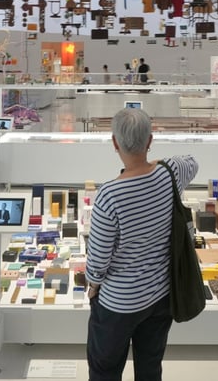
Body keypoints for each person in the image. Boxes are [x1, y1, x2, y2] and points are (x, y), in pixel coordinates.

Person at [85, 108, 198, 381]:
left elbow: (98, 260)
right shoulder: (170, 175)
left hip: (119, 303)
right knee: (150, 365)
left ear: (115, 143)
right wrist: (154, 163)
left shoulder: (109, 195)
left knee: (105, 369)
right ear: (150, 140)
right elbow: (192, 161)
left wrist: (93, 284)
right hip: (161, 295)